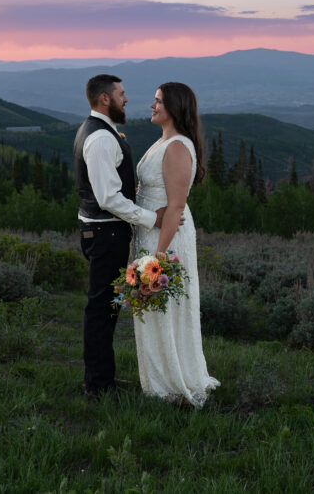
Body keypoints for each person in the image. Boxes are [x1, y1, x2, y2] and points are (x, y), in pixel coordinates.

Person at [74, 74, 170, 396]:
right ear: (105, 99)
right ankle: (98, 386)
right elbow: (109, 198)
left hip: (103, 233)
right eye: (122, 94)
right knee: (102, 309)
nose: (126, 99)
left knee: (106, 308)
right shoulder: (100, 139)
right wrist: (150, 219)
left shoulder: (99, 131)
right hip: (104, 234)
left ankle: (102, 378)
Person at [132, 82, 219, 407]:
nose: (151, 106)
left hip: (167, 239)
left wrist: (157, 259)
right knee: (151, 310)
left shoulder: (179, 147)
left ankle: (173, 382)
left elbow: (176, 207)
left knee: (166, 306)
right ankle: (157, 379)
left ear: (174, 107)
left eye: (157, 101)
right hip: (152, 233)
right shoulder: (163, 141)